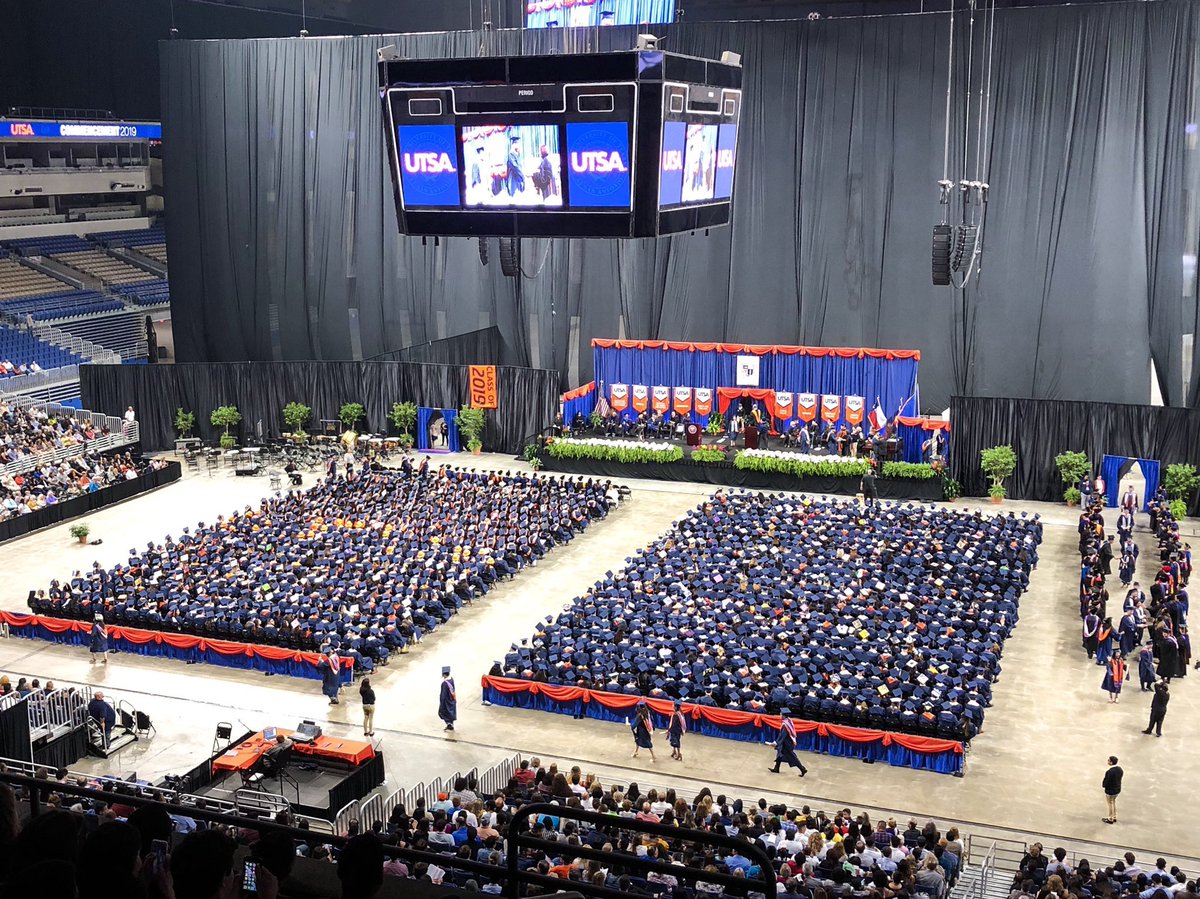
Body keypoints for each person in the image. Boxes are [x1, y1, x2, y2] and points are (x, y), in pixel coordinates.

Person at [768, 709, 807, 777]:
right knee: (779, 754)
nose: (780, 715)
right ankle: (776, 768)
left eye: (781, 714)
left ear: (783, 716)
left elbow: (782, 736)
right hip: (786, 743)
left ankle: (802, 769)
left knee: (792, 757)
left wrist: (776, 743)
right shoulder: (789, 720)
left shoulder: (785, 725)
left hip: (787, 744)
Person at [1102, 755, 1123, 824]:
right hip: (1117, 790)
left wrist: (1104, 785)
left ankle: (1110, 818)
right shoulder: (1120, 769)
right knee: (1113, 802)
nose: (1107, 761)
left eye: (1108, 760)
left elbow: (1106, 782)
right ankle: (1114, 817)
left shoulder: (1110, 772)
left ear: (1111, 762)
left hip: (1110, 791)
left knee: (1110, 803)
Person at [439, 666, 457, 732]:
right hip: (452, 698)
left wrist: (441, 703)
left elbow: (443, 695)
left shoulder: (444, 684)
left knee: (445, 712)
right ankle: (451, 724)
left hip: (446, 700)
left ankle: (449, 725)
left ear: (444, 674)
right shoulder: (451, 679)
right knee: (451, 712)